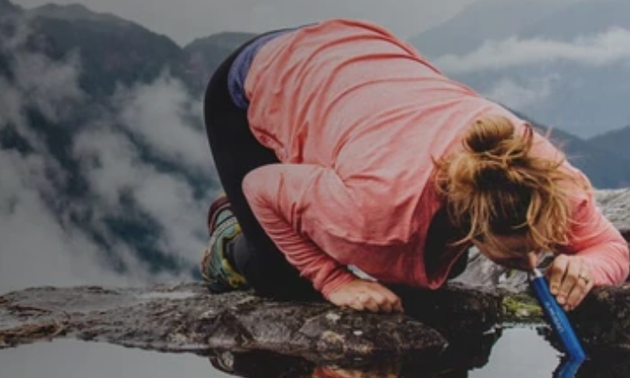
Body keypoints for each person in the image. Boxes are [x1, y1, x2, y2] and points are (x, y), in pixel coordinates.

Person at [200, 18, 629, 314]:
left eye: (542, 244)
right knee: (283, 279)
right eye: (521, 251)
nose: (538, 257)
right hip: (264, 74)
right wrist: (336, 283)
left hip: (363, 64)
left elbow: (613, 249)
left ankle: (312, 191)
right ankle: (230, 232)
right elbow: (260, 186)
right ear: (472, 223)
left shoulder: (543, 177)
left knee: (430, 274)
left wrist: (587, 266)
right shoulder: (375, 210)